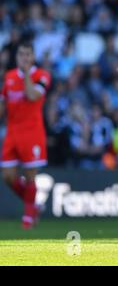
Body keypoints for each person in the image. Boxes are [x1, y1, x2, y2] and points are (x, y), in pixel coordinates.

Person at [0, 41, 51, 229]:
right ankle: (34, 204)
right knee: (8, 177)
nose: (25, 58)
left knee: (30, 176)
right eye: (22, 55)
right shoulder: (9, 76)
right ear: (17, 57)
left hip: (32, 133)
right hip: (12, 132)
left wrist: (27, 73)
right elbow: (3, 105)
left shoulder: (42, 75)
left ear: (33, 57)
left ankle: (28, 219)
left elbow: (31, 95)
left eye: (28, 55)